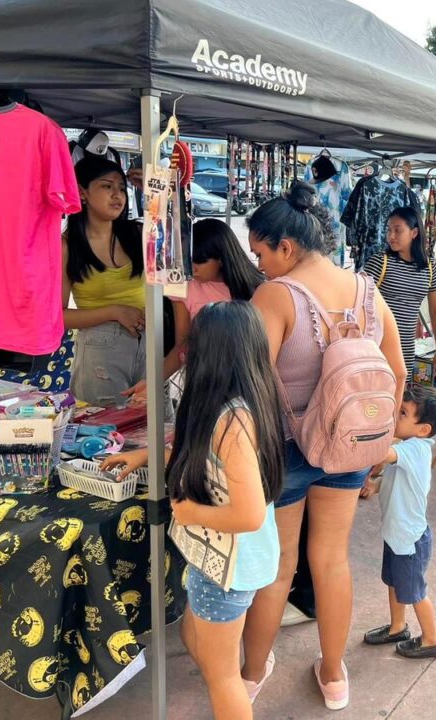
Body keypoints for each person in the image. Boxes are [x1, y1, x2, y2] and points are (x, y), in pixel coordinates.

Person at [239, 182, 406, 712]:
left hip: (287, 449)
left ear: (285, 247)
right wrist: (380, 444)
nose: (259, 265)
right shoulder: (367, 290)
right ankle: (334, 675)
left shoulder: (276, 295)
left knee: (279, 564)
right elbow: (398, 373)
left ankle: (250, 673)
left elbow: (251, 381)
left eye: (260, 252)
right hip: (352, 445)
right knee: (332, 559)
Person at [102, 301, 284, 719]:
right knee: (196, 638)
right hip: (231, 563)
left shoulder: (230, 421)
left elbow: (249, 514)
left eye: (191, 345)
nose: (184, 352)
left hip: (229, 567)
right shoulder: (248, 400)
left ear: (209, 353)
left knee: (222, 678)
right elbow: (205, 458)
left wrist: (188, 513)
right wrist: (143, 456)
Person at [123, 218, 264, 402]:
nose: (194, 268)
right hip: (202, 383)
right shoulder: (186, 288)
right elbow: (182, 345)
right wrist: (152, 382)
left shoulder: (256, 289)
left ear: (221, 258)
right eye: (190, 261)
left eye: (200, 261)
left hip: (245, 383)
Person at [362, 385, 436, 659]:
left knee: (414, 592)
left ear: (423, 429)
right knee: (394, 582)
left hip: (409, 540)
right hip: (396, 535)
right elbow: (395, 481)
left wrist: (368, 427)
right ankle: (398, 627)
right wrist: (374, 487)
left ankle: (431, 640)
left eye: (402, 413)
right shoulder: (408, 448)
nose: (395, 416)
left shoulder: (415, 449)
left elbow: (382, 454)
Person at [63, 156, 145, 406]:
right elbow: (59, 317)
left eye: (122, 188)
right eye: (107, 186)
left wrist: (156, 193)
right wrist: (113, 312)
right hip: (100, 350)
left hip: (149, 344)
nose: (117, 195)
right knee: (106, 435)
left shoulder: (138, 233)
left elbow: (177, 252)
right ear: (82, 192)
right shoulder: (67, 246)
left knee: (158, 432)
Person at [364, 206, 436, 380]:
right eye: (389, 230)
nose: (391, 236)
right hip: (376, 346)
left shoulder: (429, 267)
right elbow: (356, 300)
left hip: (406, 349)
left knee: (399, 399)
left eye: (397, 230)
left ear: (414, 233)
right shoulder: (380, 261)